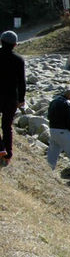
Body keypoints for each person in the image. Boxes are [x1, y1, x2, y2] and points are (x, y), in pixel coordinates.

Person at [0, 30, 25, 167]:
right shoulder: (18, 59)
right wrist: (21, 99)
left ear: (1, 42)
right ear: (15, 44)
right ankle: (7, 155)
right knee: (7, 126)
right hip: (11, 97)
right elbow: (22, 82)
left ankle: (0, 148)